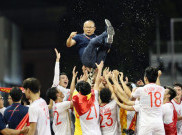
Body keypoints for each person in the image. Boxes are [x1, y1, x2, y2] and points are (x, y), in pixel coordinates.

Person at [131, 67, 165, 135]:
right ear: (156, 78)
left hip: (146, 124)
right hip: (159, 124)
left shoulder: (141, 89)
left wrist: (134, 89)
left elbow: (132, 98)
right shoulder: (162, 89)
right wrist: (157, 76)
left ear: (145, 78)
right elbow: (156, 87)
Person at [46, 66, 77, 135]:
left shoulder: (67, 90)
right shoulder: (57, 88)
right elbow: (75, 99)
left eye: (66, 78)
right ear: (58, 81)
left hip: (66, 122)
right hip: (63, 127)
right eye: (63, 78)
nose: (65, 79)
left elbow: (72, 91)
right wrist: (57, 60)